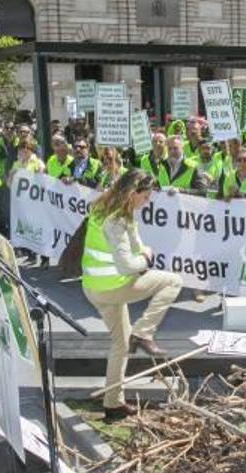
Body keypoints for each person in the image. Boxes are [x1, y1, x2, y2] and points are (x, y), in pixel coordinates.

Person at [81, 170, 183, 421]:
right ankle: (144, 332)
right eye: (145, 197)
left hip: (95, 287)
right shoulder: (116, 219)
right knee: (173, 281)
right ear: (132, 193)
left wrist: (142, 249)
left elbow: (134, 241)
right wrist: (145, 258)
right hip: (112, 286)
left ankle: (113, 403)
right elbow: (128, 264)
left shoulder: (106, 208)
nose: (146, 202)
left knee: (121, 344)